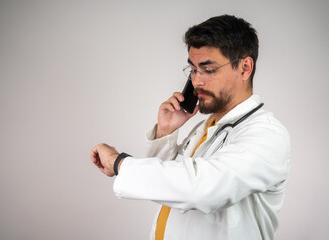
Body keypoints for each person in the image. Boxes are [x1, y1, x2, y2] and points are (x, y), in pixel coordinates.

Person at [90, 14, 291, 240]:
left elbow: (201, 189)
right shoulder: (207, 128)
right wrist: (166, 132)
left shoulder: (266, 134)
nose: (196, 82)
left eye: (208, 69)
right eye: (193, 70)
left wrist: (119, 163)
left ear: (245, 68)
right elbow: (171, 188)